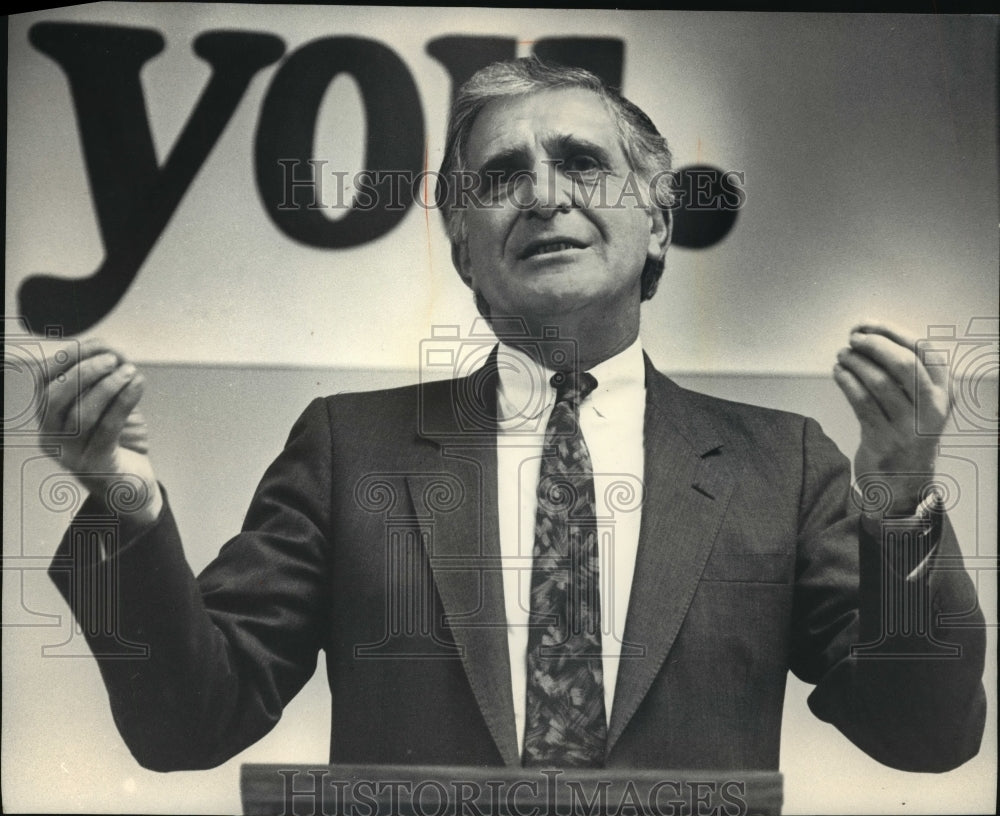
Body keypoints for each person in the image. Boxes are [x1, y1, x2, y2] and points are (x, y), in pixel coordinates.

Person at [40, 58, 985, 774]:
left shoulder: (783, 465)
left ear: (657, 222)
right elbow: (186, 723)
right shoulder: (348, 448)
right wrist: (122, 499)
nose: (541, 195)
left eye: (581, 163)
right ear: (463, 249)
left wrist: (900, 507)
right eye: (498, 179)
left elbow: (928, 733)